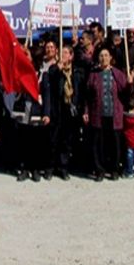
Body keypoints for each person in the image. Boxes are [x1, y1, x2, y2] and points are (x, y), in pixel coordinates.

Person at [84, 47, 128, 181]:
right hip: (98, 113)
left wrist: (129, 82)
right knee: (99, 144)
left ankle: (114, 169)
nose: (104, 58)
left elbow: (125, 91)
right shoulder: (93, 74)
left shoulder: (118, 74)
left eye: (106, 55)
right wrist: (86, 111)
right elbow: (87, 95)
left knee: (114, 143)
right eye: (101, 56)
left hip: (114, 114)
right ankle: (100, 170)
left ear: (111, 58)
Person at [11, 46, 50, 182]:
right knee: (23, 141)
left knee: (36, 142)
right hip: (22, 109)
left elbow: (46, 95)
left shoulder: (41, 75)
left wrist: (46, 113)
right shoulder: (20, 74)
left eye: (27, 55)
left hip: (36, 111)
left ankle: (35, 169)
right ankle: (24, 168)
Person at [48, 45, 84, 180]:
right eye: (61, 52)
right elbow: (51, 77)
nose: (63, 55)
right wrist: (59, 68)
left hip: (70, 109)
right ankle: (51, 167)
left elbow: (80, 90)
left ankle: (63, 167)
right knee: (53, 140)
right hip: (57, 109)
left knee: (66, 141)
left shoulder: (77, 71)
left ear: (71, 56)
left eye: (66, 53)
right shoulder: (55, 69)